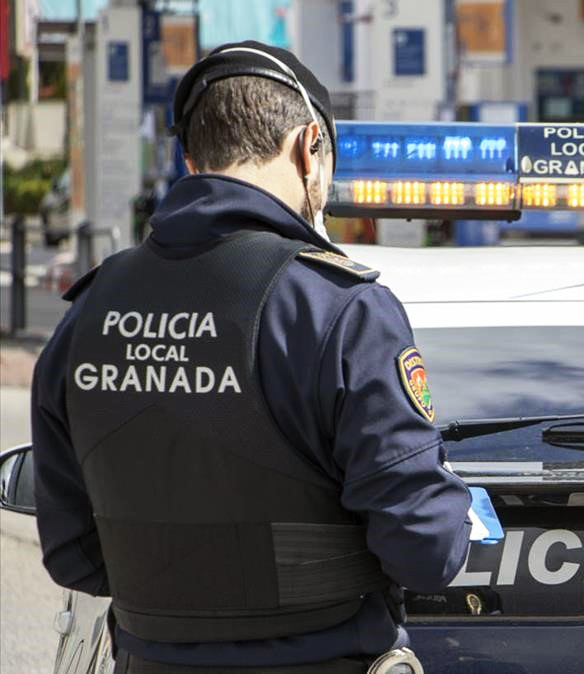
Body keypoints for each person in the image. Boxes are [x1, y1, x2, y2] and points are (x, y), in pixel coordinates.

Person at [31, 41, 472, 673]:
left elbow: (74, 557)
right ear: (307, 148)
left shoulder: (88, 312)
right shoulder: (340, 309)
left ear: (190, 161)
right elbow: (425, 550)